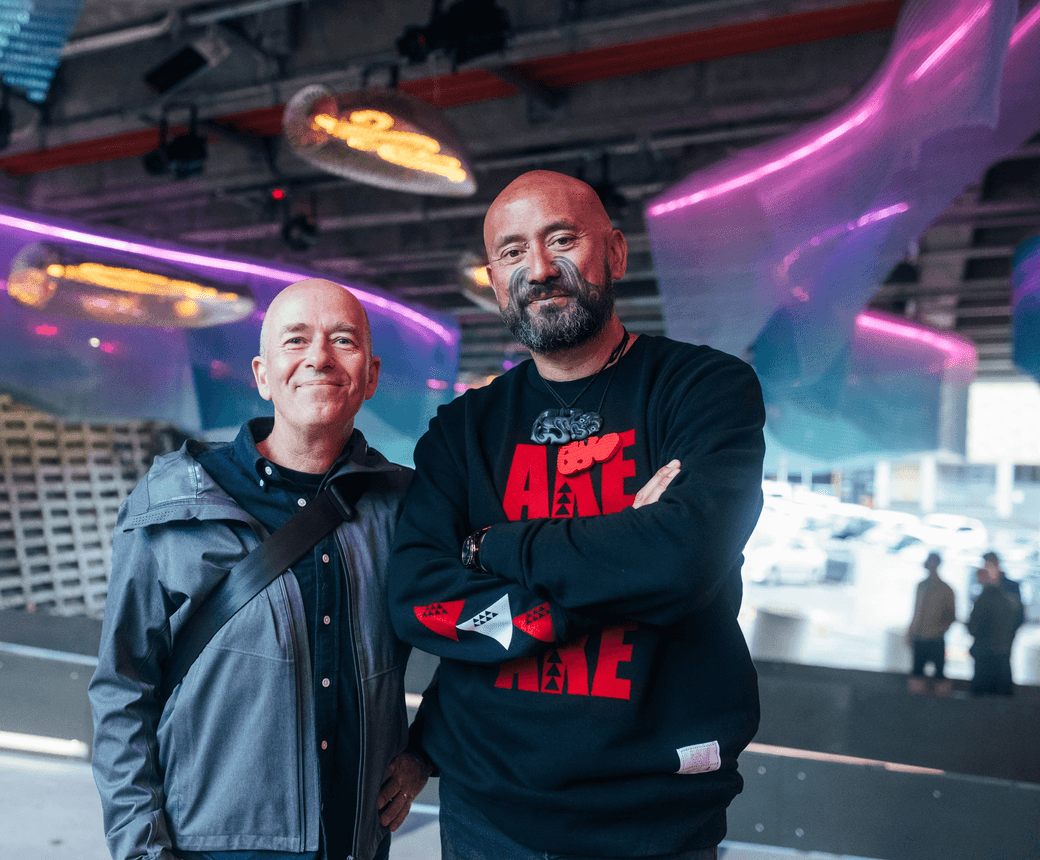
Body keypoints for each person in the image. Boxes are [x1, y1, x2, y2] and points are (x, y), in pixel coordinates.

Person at [388, 170, 765, 860]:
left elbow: (681, 561)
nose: (538, 268)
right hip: (485, 814)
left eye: (562, 240)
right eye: (511, 252)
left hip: (655, 820)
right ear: (495, 277)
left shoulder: (703, 390)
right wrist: (620, 574)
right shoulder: (461, 430)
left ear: (614, 254)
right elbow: (416, 600)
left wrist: (489, 546)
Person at [89, 279, 431, 860]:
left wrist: (428, 749)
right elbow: (124, 691)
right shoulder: (174, 504)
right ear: (263, 374)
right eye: (296, 341)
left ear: (370, 376)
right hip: (209, 848)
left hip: (353, 843)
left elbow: (488, 632)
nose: (319, 357)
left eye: (342, 340)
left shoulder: (407, 508)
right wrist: (142, 850)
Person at [968, 551, 1023, 696]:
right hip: (984, 649)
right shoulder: (983, 590)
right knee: (980, 692)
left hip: (1001, 649)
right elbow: (976, 621)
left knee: (1001, 691)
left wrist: (1007, 636)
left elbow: (1018, 617)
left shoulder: (1010, 588)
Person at [905, 551, 956, 695]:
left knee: (940, 676)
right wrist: (910, 632)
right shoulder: (921, 586)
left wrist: (941, 629)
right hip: (920, 637)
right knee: (917, 674)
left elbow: (951, 615)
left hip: (936, 639)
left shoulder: (946, 589)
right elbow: (916, 612)